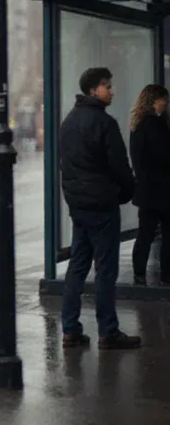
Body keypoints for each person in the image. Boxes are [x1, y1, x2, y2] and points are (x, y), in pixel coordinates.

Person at [58, 66, 141, 349]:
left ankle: (70, 328)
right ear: (94, 90)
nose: (112, 90)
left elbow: (65, 166)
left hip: (80, 208)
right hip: (102, 208)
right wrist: (125, 192)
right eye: (107, 86)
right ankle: (108, 331)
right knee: (106, 270)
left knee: (77, 267)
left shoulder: (68, 122)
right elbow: (120, 167)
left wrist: (75, 198)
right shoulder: (104, 124)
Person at [128, 84, 170, 286]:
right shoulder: (157, 124)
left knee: (144, 234)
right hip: (162, 190)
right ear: (155, 100)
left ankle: (138, 274)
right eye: (164, 99)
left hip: (146, 190)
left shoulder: (137, 124)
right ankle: (166, 275)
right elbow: (165, 155)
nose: (166, 104)